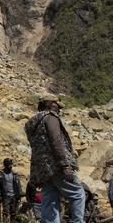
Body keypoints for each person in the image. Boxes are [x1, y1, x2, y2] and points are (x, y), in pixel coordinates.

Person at [25, 93, 84, 223]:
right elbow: (56, 141)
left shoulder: (32, 123)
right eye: (57, 105)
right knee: (78, 194)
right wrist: (65, 165)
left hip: (42, 170)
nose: (58, 109)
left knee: (49, 200)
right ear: (50, 104)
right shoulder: (50, 118)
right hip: (56, 166)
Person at [0, 158, 22, 223]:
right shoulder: (0, 174)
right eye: (9, 165)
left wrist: (19, 194)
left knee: (13, 213)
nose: (11, 166)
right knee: (5, 213)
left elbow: (18, 185)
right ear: (5, 165)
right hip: (5, 197)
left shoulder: (14, 174)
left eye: (11, 165)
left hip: (14, 196)